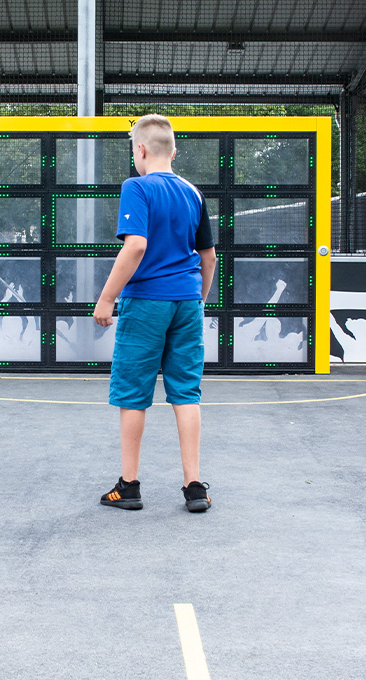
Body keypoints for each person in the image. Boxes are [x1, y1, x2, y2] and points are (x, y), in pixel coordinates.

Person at [93, 114, 216, 512]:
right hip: (186, 302)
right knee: (186, 393)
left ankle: (129, 486)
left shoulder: (137, 187)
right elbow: (208, 257)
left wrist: (107, 298)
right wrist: (198, 298)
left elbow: (136, 247)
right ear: (174, 152)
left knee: (133, 395)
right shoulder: (194, 194)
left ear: (140, 150)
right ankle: (194, 486)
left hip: (146, 302)